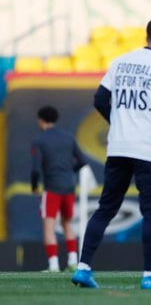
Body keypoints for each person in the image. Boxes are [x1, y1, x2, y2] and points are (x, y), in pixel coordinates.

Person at [71, 16, 151, 290]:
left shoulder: (120, 62)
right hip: (147, 151)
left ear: (147, 35)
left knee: (105, 208)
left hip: (118, 147)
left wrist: (119, 122)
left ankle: (83, 268)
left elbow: (100, 99)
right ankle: (150, 275)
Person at [31, 105, 87, 272]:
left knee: (49, 226)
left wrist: (35, 186)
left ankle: (54, 265)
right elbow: (82, 161)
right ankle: (72, 261)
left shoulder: (39, 141)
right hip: (69, 187)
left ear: (41, 120)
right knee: (67, 224)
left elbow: (35, 168)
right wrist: (70, 171)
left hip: (52, 187)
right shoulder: (69, 138)